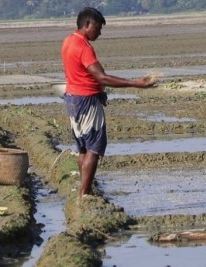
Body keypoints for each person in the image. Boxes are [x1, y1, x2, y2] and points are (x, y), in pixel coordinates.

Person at [61, 7, 156, 200]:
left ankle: (84, 188)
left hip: (73, 98)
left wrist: (99, 92)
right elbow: (101, 77)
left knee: (83, 148)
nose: (100, 32)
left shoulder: (68, 41)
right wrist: (135, 83)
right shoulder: (84, 47)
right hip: (86, 101)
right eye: (98, 27)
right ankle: (85, 193)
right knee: (94, 148)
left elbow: (85, 75)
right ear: (87, 24)